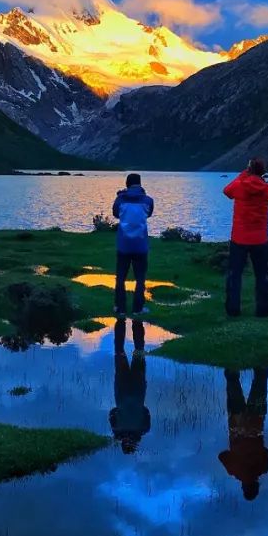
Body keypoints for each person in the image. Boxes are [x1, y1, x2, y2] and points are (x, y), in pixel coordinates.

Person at [222, 157, 268, 317]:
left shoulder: (240, 186)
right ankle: (263, 310)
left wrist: (244, 174)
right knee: (262, 275)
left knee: (234, 274)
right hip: (260, 239)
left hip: (239, 238)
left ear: (249, 169)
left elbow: (227, 191)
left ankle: (233, 310)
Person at [218, 367, 268, 501]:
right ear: (243, 487)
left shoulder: (263, 468)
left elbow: (266, 452)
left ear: (257, 486)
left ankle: (261, 357)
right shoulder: (233, 470)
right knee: (232, 382)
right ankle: (232, 360)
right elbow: (222, 455)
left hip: (255, 425)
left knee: (260, 381)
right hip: (237, 426)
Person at [112, 172, 154, 315]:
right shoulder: (148, 200)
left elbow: (116, 214)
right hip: (141, 245)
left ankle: (120, 308)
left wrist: (121, 195)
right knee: (140, 278)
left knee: (121, 277)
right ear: (140, 183)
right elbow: (148, 214)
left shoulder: (120, 200)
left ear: (127, 184)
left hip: (124, 244)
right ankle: (138, 309)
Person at [108, 317, 150, 454]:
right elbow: (112, 412)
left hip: (138, 390)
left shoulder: (143, 430)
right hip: (122, 389)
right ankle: (121, 320)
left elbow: (146, 411)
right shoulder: (116, 430)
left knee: (139, 350)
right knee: (120, 351)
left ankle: (136, 321)